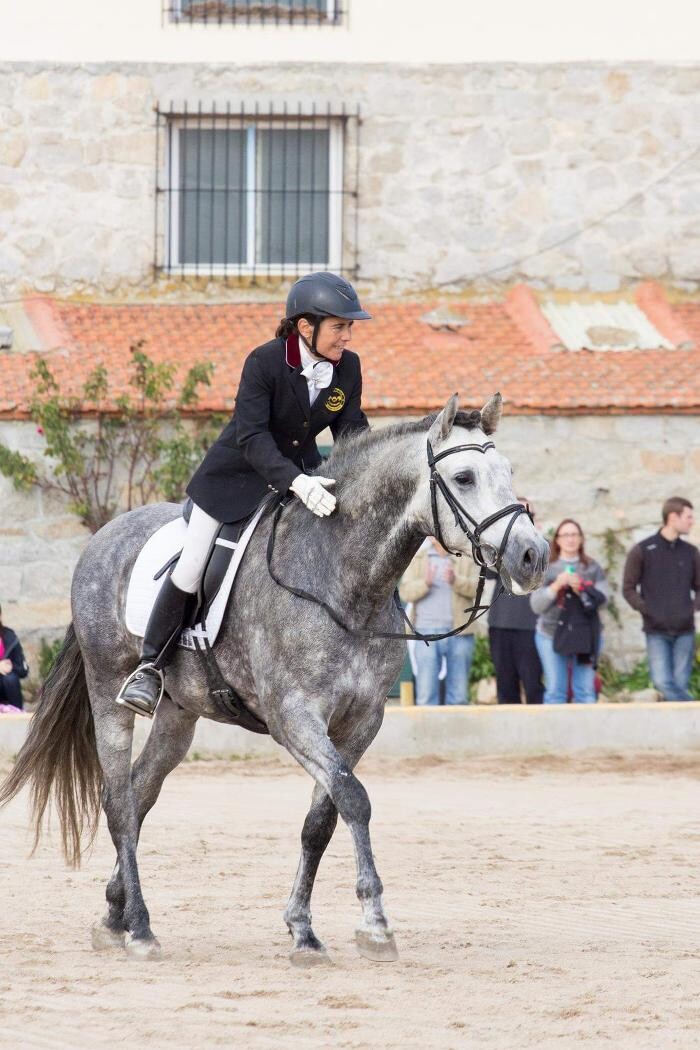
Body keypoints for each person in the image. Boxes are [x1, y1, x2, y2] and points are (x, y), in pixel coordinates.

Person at [117, 271, 372, 716]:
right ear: (305, 327)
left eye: (349, 327)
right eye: (339, 326)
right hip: (233, 479)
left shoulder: (346, 367)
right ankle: (150, 667)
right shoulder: (264, 362)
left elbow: (350, 429)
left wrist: (367, 470)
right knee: (195, 563)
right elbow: (253, 438)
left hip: (302, 477)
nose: (347, 336)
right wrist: (298, 481)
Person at [622, 496, 700, 701]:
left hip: (685, 631)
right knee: (662, 682)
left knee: (680, 684)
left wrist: (691, 608)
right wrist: (649, 610)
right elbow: (628, 589)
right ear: (673, 517)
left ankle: (681, 730)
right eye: (688, 517)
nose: (692, 521)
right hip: (655, 630)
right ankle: (693, 711)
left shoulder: (691, 552)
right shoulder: (642, 550)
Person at [529, 519, 608, 704]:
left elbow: (604, 601)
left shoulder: (592, 567)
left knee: (585, 692)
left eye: (574, 535)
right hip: (550, 634)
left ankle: (586, 731)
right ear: (557, 540)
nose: (570, 539)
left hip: (586, 635)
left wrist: (582, 588)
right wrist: (557, 585)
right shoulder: (546, 568)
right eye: (565, 535)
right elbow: (536, 605)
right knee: (556, 690)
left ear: (581, 539)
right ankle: (556, 732)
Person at [399, 537, 481, 706]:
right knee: (426, 696)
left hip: (460, 633)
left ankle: (456, 732)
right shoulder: (418, 557)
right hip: (425, 634)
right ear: (429, 536)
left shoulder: (466, 557)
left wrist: (455, 580)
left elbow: (477, 589)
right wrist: (425, 583)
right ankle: (426, 733)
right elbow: (405, 592)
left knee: (459, 697)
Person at [487, 498, 543, 704]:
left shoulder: (542, 544)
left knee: (534, 685)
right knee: (505, 685)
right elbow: (489, 572)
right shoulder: (500, 546)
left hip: (530, 625)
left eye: (528, 514)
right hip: (500, 624)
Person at [0, 605, 29, 710]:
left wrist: (11, 667)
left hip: (8, 687)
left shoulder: (10, 636)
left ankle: (16, 712)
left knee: (10, 678)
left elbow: (23, 670)